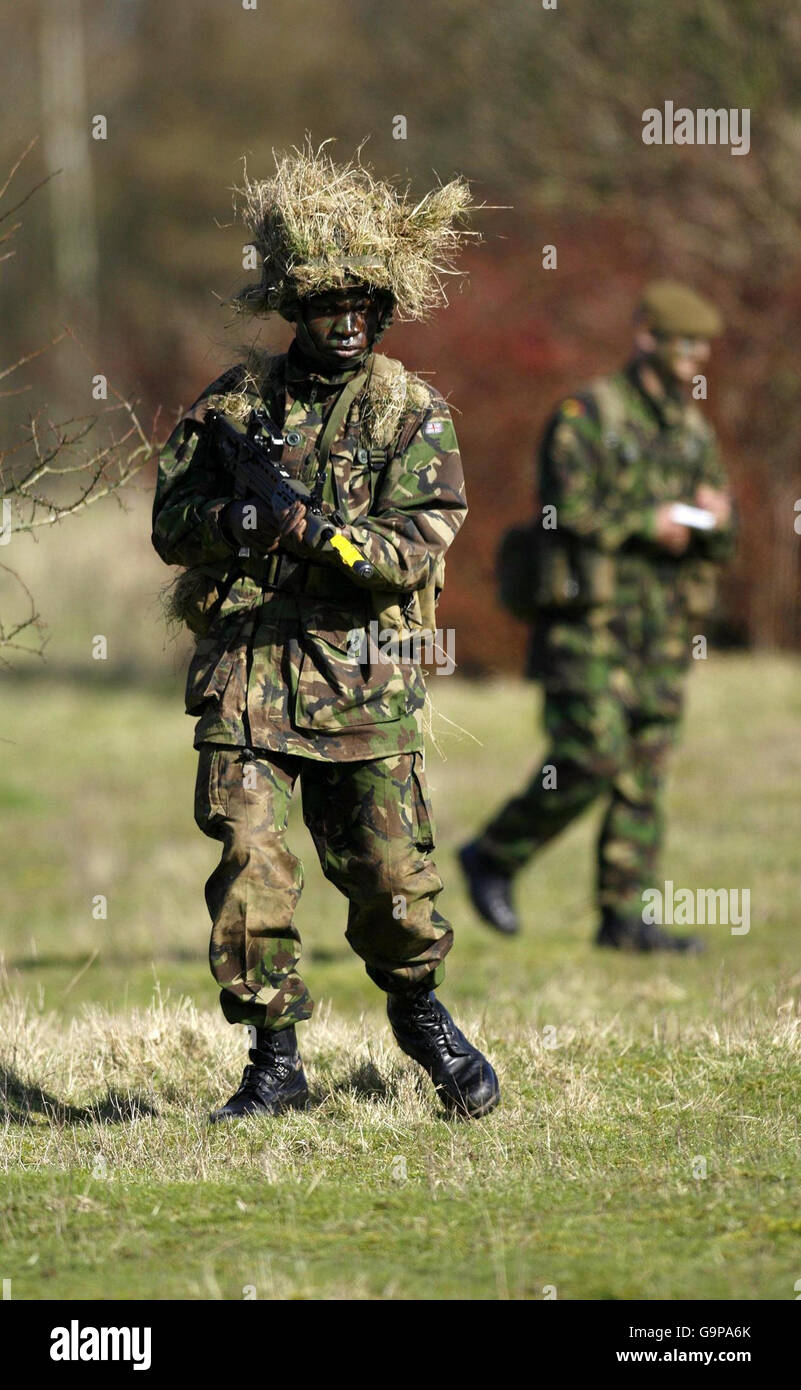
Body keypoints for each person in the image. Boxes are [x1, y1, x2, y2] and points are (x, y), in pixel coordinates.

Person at [152, 144, 500, 1120]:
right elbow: (170, 525)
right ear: (293, 309)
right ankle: (275, 1057)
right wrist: (240, 521)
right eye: (324, 306)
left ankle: (420, 1011)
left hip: (366, 680)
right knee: (249, 868)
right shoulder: (234, 407)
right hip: (250, 680)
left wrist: (321, 536)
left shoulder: (409, 414)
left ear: (383, 310)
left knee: (393, 889)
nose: (344, 322)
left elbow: (413, 547)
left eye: (361, 305)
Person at [460, 281, 735, 952]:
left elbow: (721, 537)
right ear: (648, 338)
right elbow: (565, 513)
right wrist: (652, 521)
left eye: (701, 348)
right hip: (588, 625)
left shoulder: (691, 431)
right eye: (684, 345)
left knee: (644, 771)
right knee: (591, 756)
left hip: (662, 630)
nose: (695, 359)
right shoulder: (589, 414)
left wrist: (716, 519)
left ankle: (624, 918)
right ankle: (494, 854)